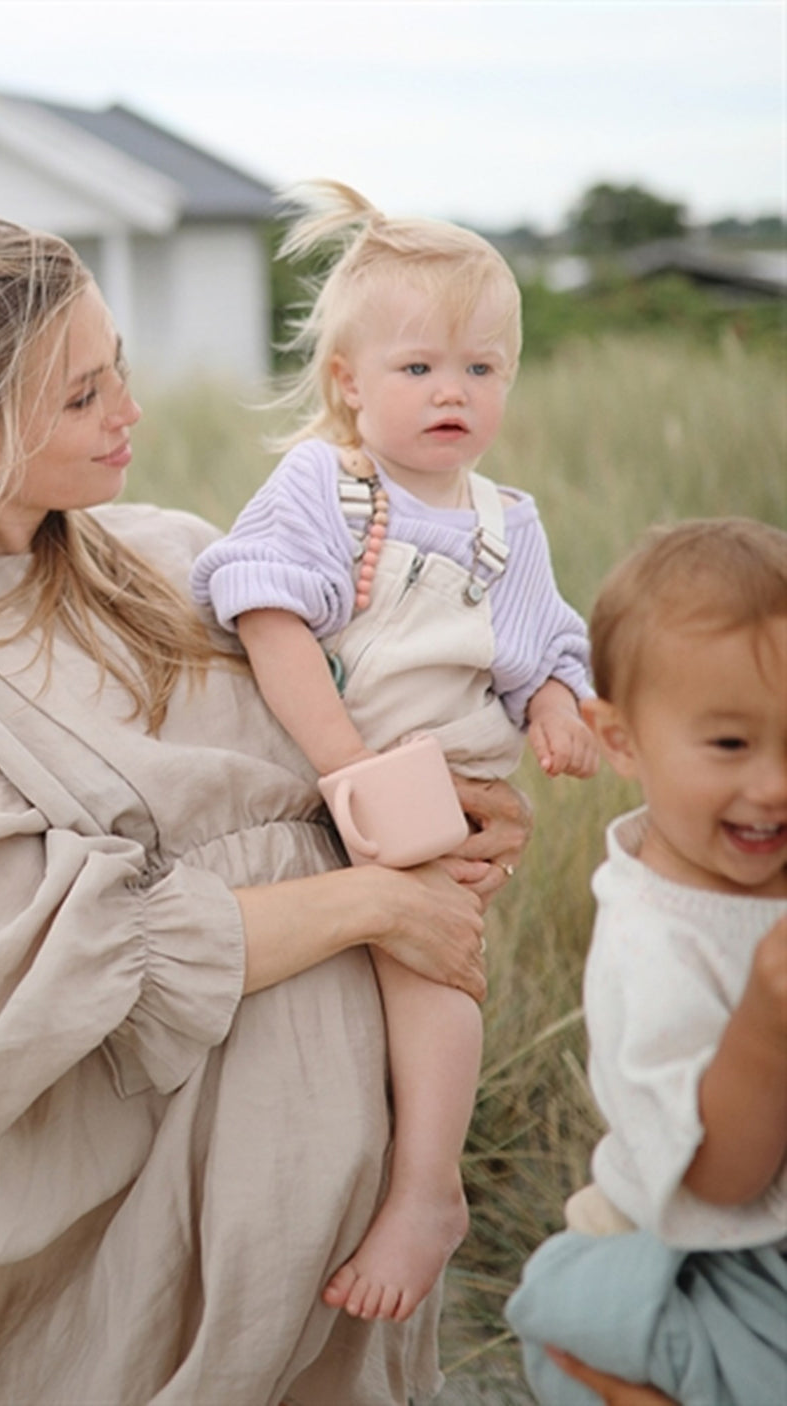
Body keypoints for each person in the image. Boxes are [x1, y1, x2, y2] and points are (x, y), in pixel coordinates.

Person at [0, 215, 531, 1405]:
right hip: (122, 1191)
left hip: (336, 1189)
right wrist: (368, 900)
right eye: (79, 394)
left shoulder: (175, 553)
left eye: (116, 365)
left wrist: (468, 805)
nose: (128, 408)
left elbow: (348, 746)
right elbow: (9, 973)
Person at [190, 180, 597, 1324]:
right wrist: (343, 761)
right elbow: (264, 611)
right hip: (352, 759)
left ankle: (426, 1189)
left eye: (480, 368)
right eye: (417, 368)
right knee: (358, 978)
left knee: (428, 961)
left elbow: (540, 646)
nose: (450, 392)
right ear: (348, 385)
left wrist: (560, 707)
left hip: (447, 774)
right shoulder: (326, 485)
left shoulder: (504, 521)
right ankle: (364, 1178)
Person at [506, 518, 787, 1405]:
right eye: (731, 745)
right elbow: (722, 1180)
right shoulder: (653, 942)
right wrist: (765, 1029)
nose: (774, 783)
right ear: (621, 742)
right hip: (711, 1252)